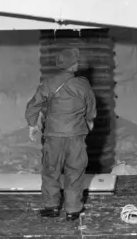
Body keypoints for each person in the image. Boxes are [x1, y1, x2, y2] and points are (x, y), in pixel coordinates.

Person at [25, 48, 96, 221]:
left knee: (50, 170)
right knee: (75, 172)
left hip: (53, 136)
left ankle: (51, 207)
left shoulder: (49, 83)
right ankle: (72, 210)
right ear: (74, 65)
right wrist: (87, 123)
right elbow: (91, 110)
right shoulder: (83, 84)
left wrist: (32, 124)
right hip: (75, 136)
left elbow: (33, 106)